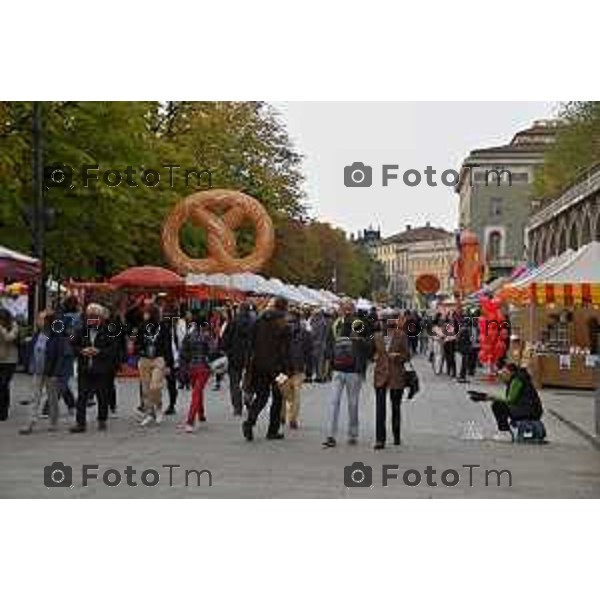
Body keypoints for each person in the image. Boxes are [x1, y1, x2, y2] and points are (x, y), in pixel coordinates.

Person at [322, 298, 371, 448]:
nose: (347, 311)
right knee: (333, 402)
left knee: (353, 403)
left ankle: (353, 433)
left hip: (354, 370)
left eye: (349, 308)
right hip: (338, 368)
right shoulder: (336, 324)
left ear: (354, 309)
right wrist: (328, 365)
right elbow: (329, 345)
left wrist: (359, 340)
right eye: (344, 308)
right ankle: (331, 435)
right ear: (340, 309)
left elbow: (369, 345)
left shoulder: (360, 324)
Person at [242, 297, 291, 441]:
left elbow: (250, 343)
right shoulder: (284, 324)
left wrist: (249, 363)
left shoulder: (259, 320)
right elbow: (286, 350)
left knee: (262, 396)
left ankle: (249, 421)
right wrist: (288, 368)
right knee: (278, 398)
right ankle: (272, 431)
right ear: (285, 308)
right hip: (278, 369)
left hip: (259, 365)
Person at [70, 304, 119, 433]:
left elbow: (113, 350)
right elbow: (72, 346)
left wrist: (99, 351)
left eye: (94, 317)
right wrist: (82, 350)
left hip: (102, 369)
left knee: (102, 395)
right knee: (82, 396)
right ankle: (80, 423)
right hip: (85, 368)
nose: (91, 319)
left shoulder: (109, 331)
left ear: (101, 318)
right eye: (89, 316)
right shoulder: (81, 330)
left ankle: (102, 419)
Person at [20, 310, 70, 434]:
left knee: (52, 397)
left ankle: (53, 421)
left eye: (41, 319)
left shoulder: (56, 335)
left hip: (50, 372)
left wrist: (55, 373)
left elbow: (60, 355)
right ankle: (30, 422)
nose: (38, 321)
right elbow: (32, 350)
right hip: (37, 370)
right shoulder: (38, 334)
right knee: (34, 396)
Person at [372, 312, 410, 449]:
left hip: (396, 376)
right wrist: (374, 356)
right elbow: (372, 353)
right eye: (384, 321)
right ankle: (379, 439)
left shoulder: (401, 335)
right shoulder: (377, 336)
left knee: (395, 407)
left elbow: (407, 356)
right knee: (380, 409)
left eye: (389, 321)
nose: (387, 324)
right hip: (380, 375)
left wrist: (398, 356)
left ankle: (396, 435)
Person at [135, 303, 174, 426]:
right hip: (144, 359)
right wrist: (139, 349)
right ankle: (149, 413)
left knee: (155, 386)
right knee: (146, 389)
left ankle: (158, 407)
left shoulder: (163, 327)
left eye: (146, 312)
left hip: (159, 359)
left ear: (152, 313)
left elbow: (168, 346)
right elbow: (138, 342)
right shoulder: (141, 326)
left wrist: (169, 364)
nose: (144, 314)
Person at [490, 363, 543, 442]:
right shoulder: (519, 378)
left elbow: (510, 400)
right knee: (501, 404)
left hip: (528, 410)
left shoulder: (517, 380)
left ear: (511, 372)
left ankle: (505, 432)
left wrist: (491, 397)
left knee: (497, 405)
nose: (502, 376)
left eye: (505, 373)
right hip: (532, 410)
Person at [221, 302, 255, 416]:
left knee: (234, 383)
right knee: (249, 380)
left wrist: (225, 350)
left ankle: (237, 407)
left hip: (234, 357)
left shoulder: (232, 322)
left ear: (240, 310)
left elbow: (225, 339)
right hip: (250, 356)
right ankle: (248, 399)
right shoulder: (254, 323)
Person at [280, 308, 311, 429]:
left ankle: (281, 415)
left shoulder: (281, 331)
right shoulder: (305, 333)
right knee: (296, 394)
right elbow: (309, 352)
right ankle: (293, 418)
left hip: (282, 368)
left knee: (282, 393)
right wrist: (309, 369)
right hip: (298, 368)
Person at [179, 320, 211, 432]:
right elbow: (212, 351)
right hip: (203, 367)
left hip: (191, 368)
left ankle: (200, 414)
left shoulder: (188, 336)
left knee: (197, 391)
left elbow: (183, 353)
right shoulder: (206, 336)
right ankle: (191, 420)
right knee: (197, 392)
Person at [0, 308, 19, 421]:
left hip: (9, 361)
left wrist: (1, 329)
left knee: (3, 385)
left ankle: (3, 411)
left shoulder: (13, 325)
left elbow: (9, 338)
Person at [310, 309, 330, 383]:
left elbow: (314, 333)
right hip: (322, 344)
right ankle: (320, 376)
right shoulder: (323, 322)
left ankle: (319, 376)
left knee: (318, 361)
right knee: (320, 361)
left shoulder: (319, 323)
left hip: (317, 344)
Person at [456, 314, 472, 383]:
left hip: (462, 349)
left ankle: (462, 376)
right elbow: (467, 341)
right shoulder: (466, 330)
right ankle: (462, 377)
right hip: (465, 349)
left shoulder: (461, 330)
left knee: (463, 363)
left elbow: (458, 340)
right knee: (464, 363)